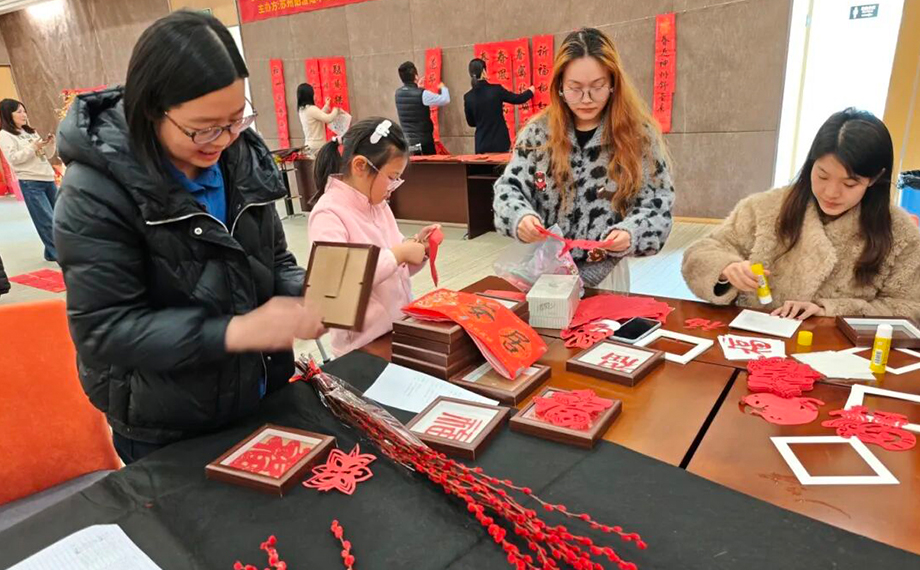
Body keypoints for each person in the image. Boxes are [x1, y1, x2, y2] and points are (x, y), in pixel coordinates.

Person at [53, 11, 324, 464]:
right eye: (203, 128)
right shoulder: (96, 191)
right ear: (150, 110)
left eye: (236, 119)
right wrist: (234, 332)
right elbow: (106, 330)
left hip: (260, 391)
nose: (223, 139)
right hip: (168, 421)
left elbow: (274, 260)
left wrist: (308, 295)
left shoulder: (240, 157)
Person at [682, 108, 920, 320]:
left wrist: (829, 309)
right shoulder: (765, 207)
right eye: (822, 175)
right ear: (811, 164)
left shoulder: (900, 234)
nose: (831, 192)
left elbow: (910, 307)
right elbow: (701, 252)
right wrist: (727, 268)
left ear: (875, 178)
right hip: (754, 338)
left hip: (838, 348)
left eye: (850, 184)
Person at [492, 28, 674, 289]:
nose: (586, 99)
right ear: (560, 87)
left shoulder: (638, 136)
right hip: (543, 272)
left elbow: (657, 203)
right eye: (575, 89)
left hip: (605, 276)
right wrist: (519, 217)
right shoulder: (538, 133)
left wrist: (631, 233)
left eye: (597, 87)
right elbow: (509, 188)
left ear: (613, 84)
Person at [309, 117, 438, 356]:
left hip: (395, 330)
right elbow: (338, 286)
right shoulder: (328, 214)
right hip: (360, 347)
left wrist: (417, 250)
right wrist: (399, 254)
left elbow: (394, 269)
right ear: (360, 166)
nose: (393, 186)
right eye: (391, 177)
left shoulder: (378, 205)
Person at [0, 99, 58, 262]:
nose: (24, 114)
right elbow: (14, 159)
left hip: (47, 178)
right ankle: (58, 253)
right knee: (46, 220)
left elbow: (46, 155)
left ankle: (51, 251)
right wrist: (33, 147)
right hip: (31, 181)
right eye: (19, 112)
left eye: (24, 111)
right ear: (8, 115)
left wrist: (50, 144)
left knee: (59, 217)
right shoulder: (5, 135)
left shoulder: (30, 132)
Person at [464, 58, 534, 153]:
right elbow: (517, 99)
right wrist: (530, 91)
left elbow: (471, 123)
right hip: (500, 142)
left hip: (481, 144)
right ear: (484, 71)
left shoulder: (468, 97)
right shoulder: (496, 90)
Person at [395, 61, 450, 155]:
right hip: (424, 142)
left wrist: (418, 87)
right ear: (416, 76)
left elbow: (411, 101)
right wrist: (443, 86)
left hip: (408, 143)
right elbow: (445, 100)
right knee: (430, 164)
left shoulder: (398, 93)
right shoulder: (422, 94)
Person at [297, 82, 340, 157]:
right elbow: (328, 119)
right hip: (317, 146)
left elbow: (318, 116)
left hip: (309, 145)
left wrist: (326, 105)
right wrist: (336, 109)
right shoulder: (311, 109)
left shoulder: (302, 109)